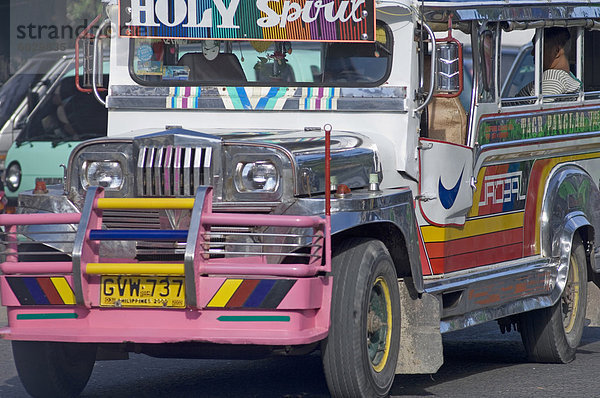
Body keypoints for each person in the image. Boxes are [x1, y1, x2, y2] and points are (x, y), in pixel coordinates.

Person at [518, 27, 581, 98]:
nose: (532, 53)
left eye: (539, 47)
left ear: (556, 51)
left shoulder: (553, 78)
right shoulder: (568, 77)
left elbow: (543, 108)